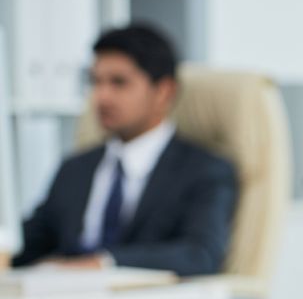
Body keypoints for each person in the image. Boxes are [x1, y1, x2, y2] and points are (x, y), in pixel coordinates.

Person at [13, 24, 237, 276]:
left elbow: (199, 255)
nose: (102, 96)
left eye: (119, 83)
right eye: (95, 82)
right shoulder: (75, 168)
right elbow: (27, 243)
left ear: (164, 91)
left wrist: (104, 263)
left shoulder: (204, 170)